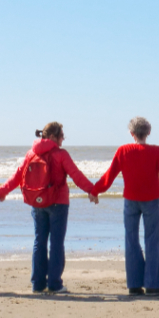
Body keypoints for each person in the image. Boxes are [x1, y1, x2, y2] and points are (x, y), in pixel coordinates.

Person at [93, 117, 159, 295]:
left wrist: (95, 190)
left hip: (131, 200)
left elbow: (110, 175)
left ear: (131, 133)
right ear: (148, 132)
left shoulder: (123, 150)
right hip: (151, 200)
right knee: (152, 240)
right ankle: (153, 285)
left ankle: (134, 284)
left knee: (131, 240)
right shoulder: (156, 151)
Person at [0, 122, 99, 294]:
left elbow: (17, 176)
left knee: (39, 241)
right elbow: (76, 175)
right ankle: (54, 284)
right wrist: (92, 190)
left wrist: (3, 191)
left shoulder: (31, 153)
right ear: (53, 136)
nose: (62, 140)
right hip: (58, 202)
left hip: (37, 203)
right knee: (56, 243)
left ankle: (37, 284)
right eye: (61, 137)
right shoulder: (60, 154)